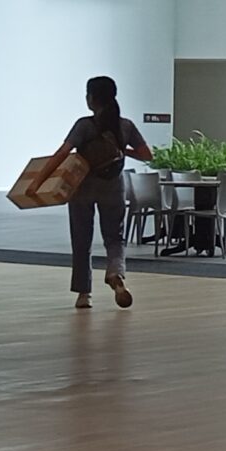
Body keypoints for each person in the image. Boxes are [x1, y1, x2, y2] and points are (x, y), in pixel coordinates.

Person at [40, 75, 153, 311]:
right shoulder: (126, 125)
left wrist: (40, 179)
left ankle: (84, 294)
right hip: (114, 187)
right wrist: (122, 150)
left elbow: (62, 153)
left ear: (92, 98)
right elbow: (147, 155)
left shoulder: (84, 125)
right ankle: (115, 273)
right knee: (115, 238)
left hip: (82, 188)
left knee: (82, 240)